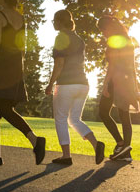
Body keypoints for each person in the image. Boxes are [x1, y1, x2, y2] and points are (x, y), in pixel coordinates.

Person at [0, 0, 46, 166]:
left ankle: (34, 139)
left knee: (2, 108)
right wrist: (20, 71)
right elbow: (21, 48)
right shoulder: (20, 18)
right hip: (14, 66)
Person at [45, 10, 105, 166]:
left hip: (66, 84)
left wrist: (50, 83)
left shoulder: (61, 37)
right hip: (83, 84)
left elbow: (59, 63)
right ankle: (96, 144)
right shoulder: (78, 39)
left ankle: (66, 156)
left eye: (54, 21)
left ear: (59, 22)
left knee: (60, 119)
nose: (53, 24)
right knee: (75, 119)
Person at [97, 16, 140, 162]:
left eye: (103, 29)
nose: (103, 33)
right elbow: (132, 66)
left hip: (116, 81)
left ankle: (122, 145)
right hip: (127, 81)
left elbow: (113, 64)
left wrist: (105, 83)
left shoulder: (114, 41)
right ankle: (125, 149)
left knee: (103, 112)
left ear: (109, 27)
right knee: (124, 115)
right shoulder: (128, 40)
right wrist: (135, 85)